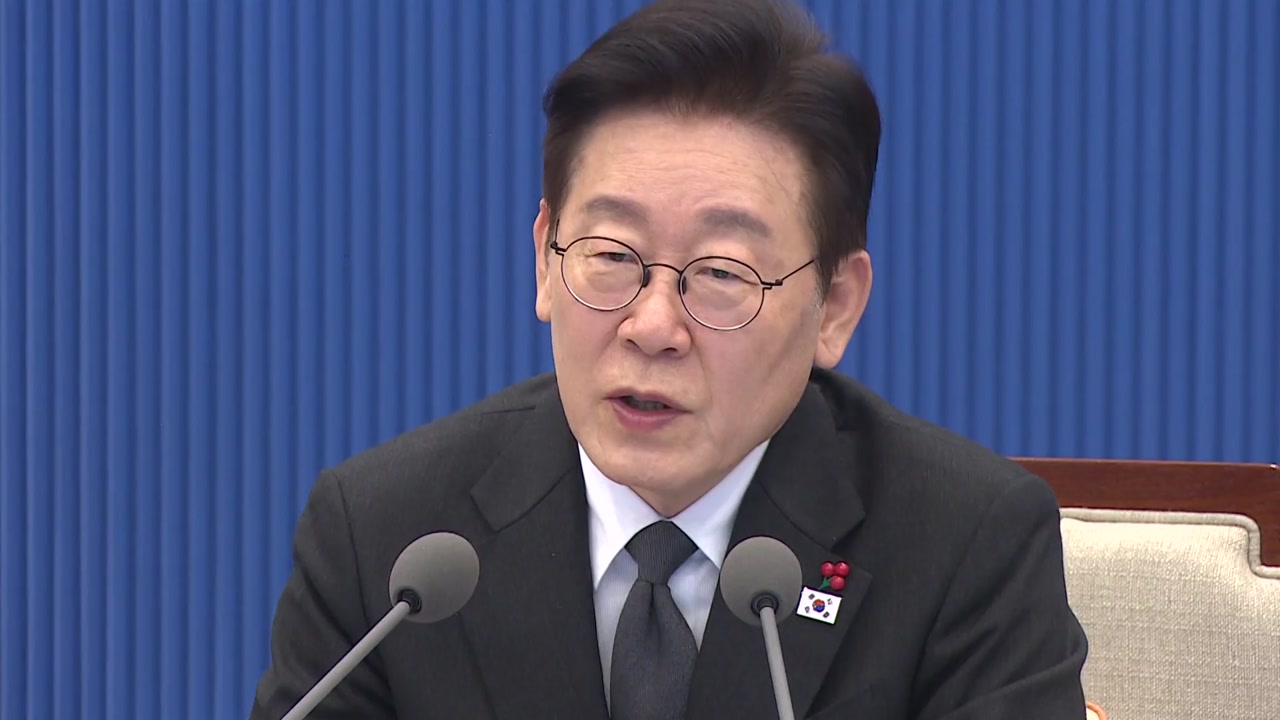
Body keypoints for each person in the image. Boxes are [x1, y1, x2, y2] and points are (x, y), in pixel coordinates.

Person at [250, 0, 1089, 717]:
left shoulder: (963, 548)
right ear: (544, 259)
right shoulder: (389, 543)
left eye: (721, 273)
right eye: (612, 256)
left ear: (835, 305)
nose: (652, 326)